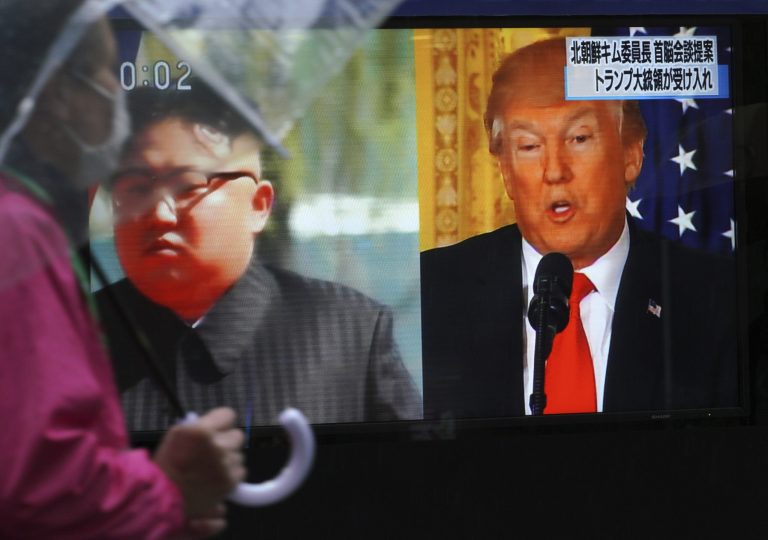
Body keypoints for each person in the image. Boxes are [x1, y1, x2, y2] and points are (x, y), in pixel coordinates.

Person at [0, 3, 246, 538]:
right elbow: (41, 489)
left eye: (189, 187)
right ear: (60, 93)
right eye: (110, 71)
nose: (119, 94)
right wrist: (167, 490)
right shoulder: (19, 234)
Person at [421, 37, 737, 418]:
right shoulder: (433, 290)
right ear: (505, 171)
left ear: (631, 155)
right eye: (529, 146)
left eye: (578, 138)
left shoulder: (721, 298)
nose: (554, 171)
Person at [95, 85, 422, 432]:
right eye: (135, 188)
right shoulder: (71, 338)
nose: (159, 214)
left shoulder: (349, 332)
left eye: (187, 186)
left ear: (258, 205)